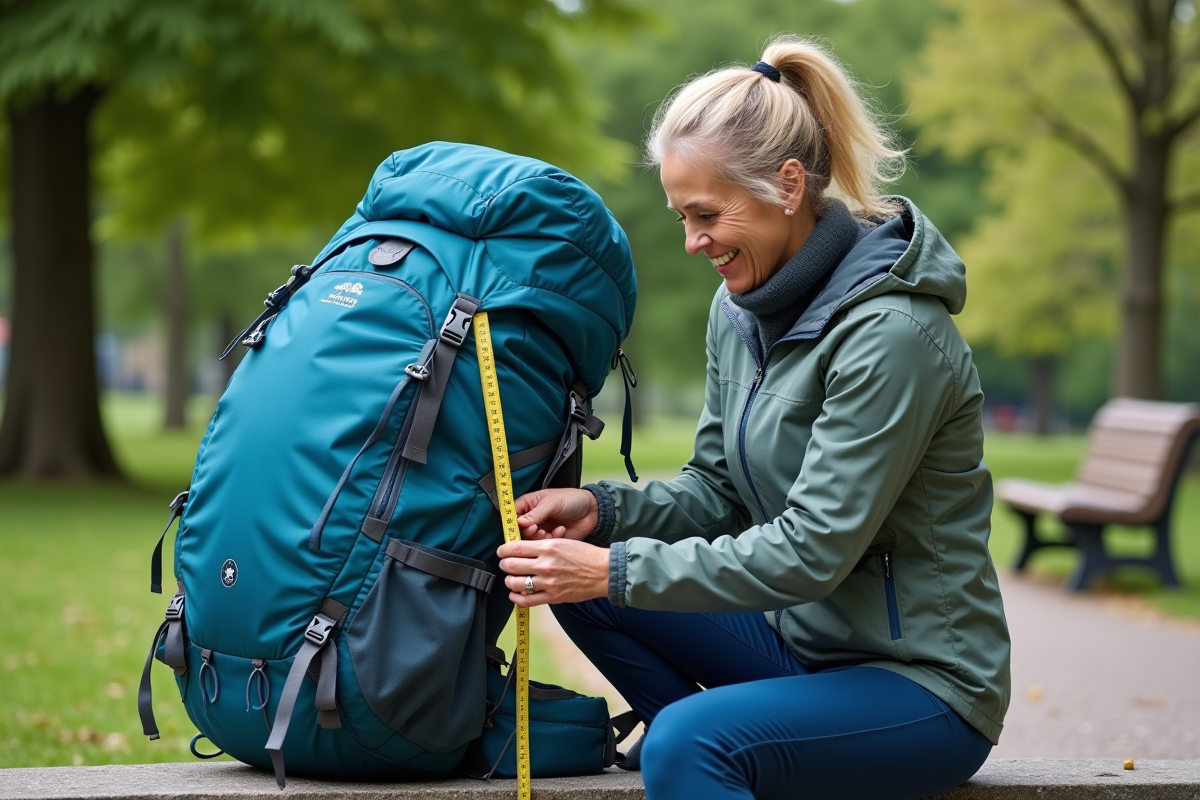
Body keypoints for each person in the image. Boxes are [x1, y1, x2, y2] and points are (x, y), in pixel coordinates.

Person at [495, 35, 1010, 800]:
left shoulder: (894, 335)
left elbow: (811, 552)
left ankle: (709, 758)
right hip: (799, 649)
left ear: (788, 185)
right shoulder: (737, 312)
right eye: (681, 215)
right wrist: (601, 512)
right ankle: (732, 762)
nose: (692, 241)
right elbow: (717, 491)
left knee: (680, 735)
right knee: (577, 582)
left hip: (923, 689)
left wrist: (616, 566)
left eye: (706, 213)